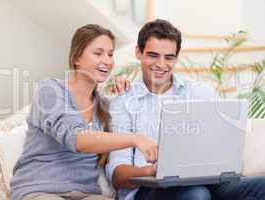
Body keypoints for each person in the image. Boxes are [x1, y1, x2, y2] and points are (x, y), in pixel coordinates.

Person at [106, 19, 265, 200]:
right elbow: (118, 175)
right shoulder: (123, 102)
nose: (161, 64)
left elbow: (226, 140)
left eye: (169, 57)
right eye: (153, 55)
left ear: (176, 58)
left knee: (262, 185)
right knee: (197, 195)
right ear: (138, 52)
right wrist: (152, 170)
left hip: (210, 182)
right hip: (150, 189)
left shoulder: (201, 92)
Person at [10, 24, 158, 200]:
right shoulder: (50, 90)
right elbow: (77, 138)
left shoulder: (104, 105)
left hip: (87, 193)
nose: (107, 60)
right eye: (98, 53)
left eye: (110, 54)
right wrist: (135, 139)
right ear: (77, 58)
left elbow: (134, 121)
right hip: (40, 189)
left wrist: (124, 98)